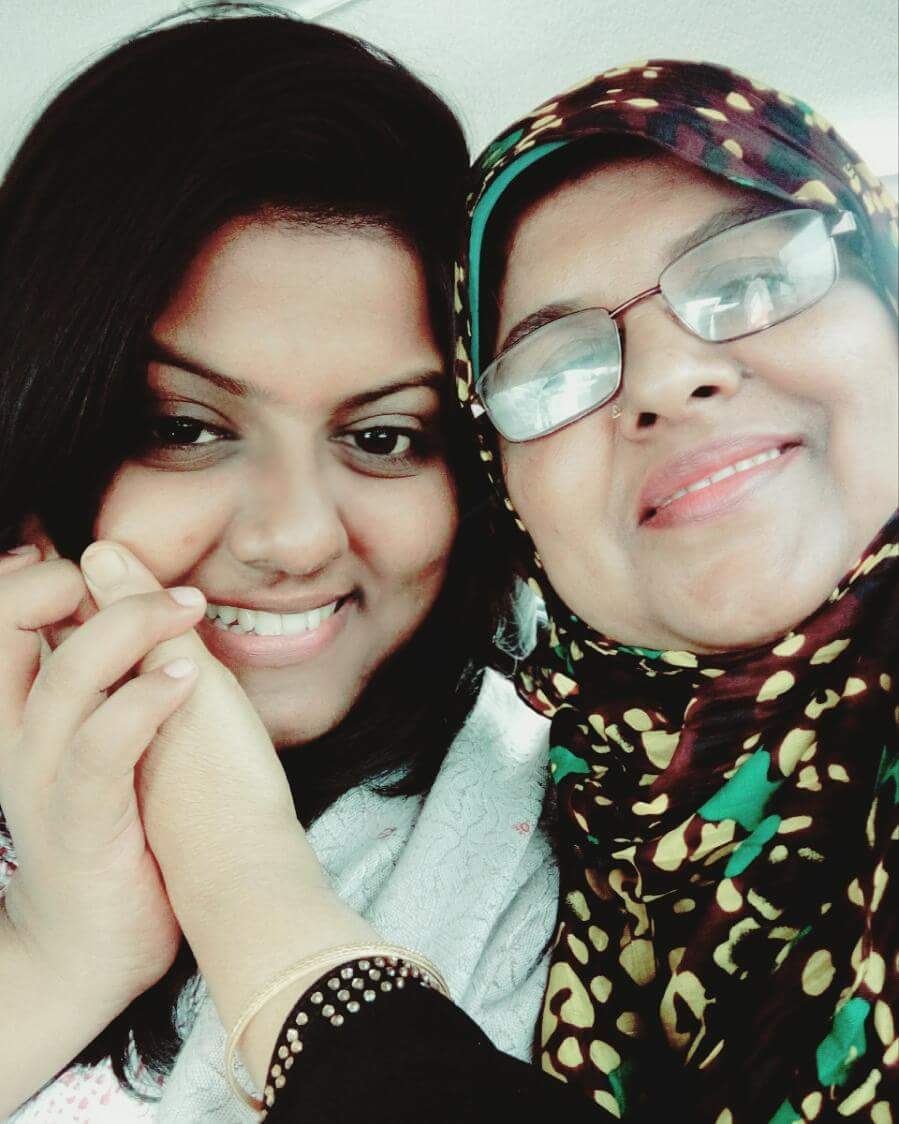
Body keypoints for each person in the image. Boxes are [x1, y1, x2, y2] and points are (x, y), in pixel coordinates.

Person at [223, 60, 896, 1123]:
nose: (666, 379)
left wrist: (250, 900)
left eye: (753, 279)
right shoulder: (555, 838)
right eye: (555, 369)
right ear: (505, 498)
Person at [0, 8, 558, 1121]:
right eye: (184, 427)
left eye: (385, 436)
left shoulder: (576, 823)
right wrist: (60, 953)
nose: (295, 538)